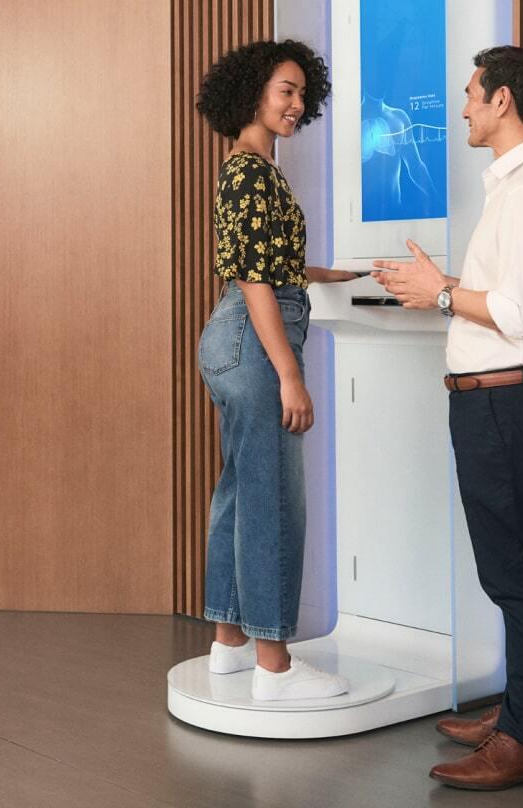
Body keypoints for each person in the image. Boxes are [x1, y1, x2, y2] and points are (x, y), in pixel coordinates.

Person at [372, 46, 523, 790]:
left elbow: (520, 314)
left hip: (506, 406)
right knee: (518, 573)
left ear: (502, 102)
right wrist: (441, 285)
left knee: (518, 578)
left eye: (470, 95)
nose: (461, 108)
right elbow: (510, 297)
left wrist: (438, 293)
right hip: (504, 403)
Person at [194, 39, 355, 701]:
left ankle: (230, 643)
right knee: (271, 498)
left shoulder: (248, 167)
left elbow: (260, 260)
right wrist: (290, 374)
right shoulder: (251, 171)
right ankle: (275, 666)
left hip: (233, 336)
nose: (296, 104)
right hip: (254, 339)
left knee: (241, 490)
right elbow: (254, 280)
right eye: (285, 91)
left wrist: (320, 273)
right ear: (254, 92)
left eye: (301, 95)